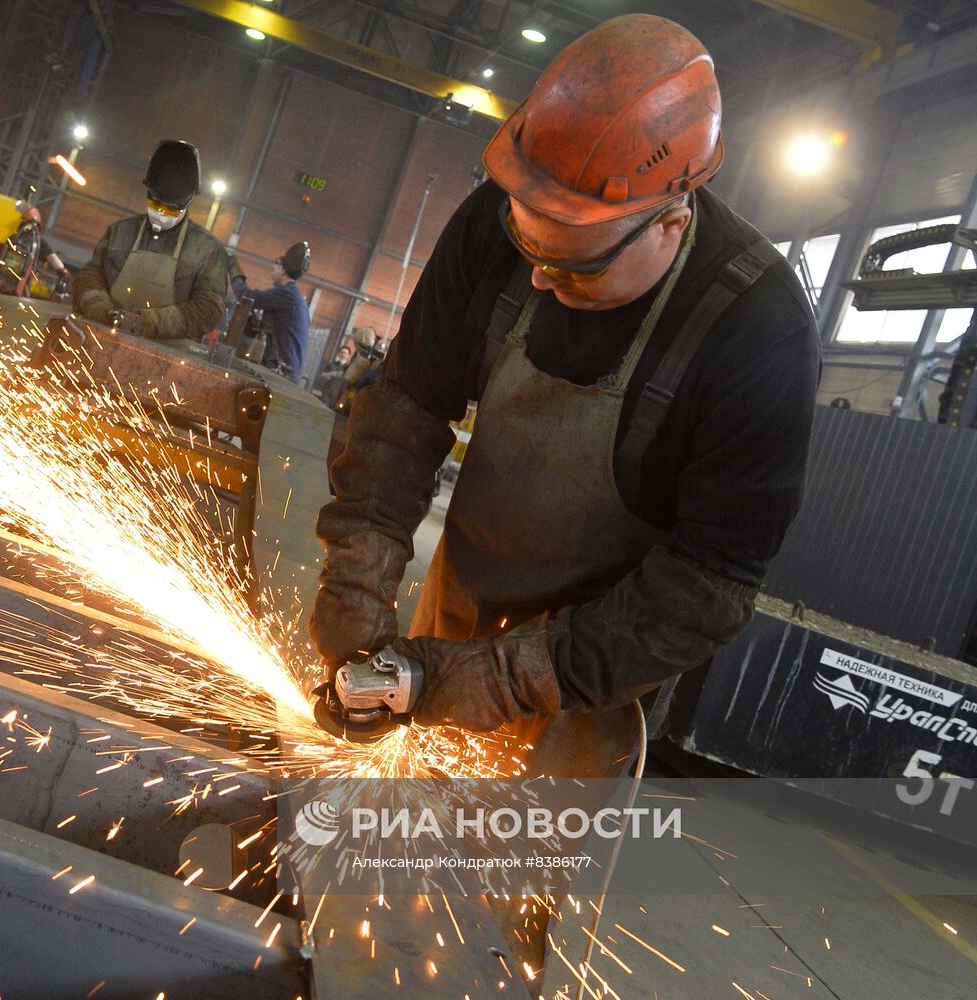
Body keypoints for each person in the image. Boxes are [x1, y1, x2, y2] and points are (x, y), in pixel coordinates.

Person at [308, 14, 819, 979]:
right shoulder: (504, 222)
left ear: (671, 219)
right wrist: (356, 595)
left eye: (575, 264)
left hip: (592, 680)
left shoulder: (757, 335)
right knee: (377, 866)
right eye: (528, 241)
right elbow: (403, 412)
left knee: (484, 939)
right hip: (452, 610)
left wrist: (482, 684)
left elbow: (701, 594)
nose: (539, 271)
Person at [72, 140, 227, 340]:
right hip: (101, 337)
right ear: (148, 191)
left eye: (170, 209)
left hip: (163, 357)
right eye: (156, 204)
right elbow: (88, 277)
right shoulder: (120, 232)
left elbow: (208, 310)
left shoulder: (207, 250)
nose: (161, 214)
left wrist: (147, 323)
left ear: (188, 202)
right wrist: (103, 311)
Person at [228, 241, 311, 380]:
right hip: (287, 371)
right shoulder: (294, 296)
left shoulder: (286, 294)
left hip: (282, 372)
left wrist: (233, 269)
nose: (272, 273)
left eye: (275, 269)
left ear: (283, 270)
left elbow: (245, 295)